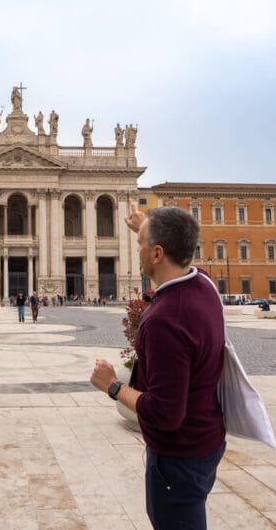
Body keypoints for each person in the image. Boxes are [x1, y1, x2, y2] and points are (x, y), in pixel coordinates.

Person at [90, 202, 225, 530]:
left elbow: (166, 413)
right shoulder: (204, 286)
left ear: (157, 254)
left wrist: (112, 385)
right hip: (206, 441)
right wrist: (147, 227)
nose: (136, 249)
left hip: (178, 456)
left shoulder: (166, 319)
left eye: (140, 244)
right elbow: (179, 253)